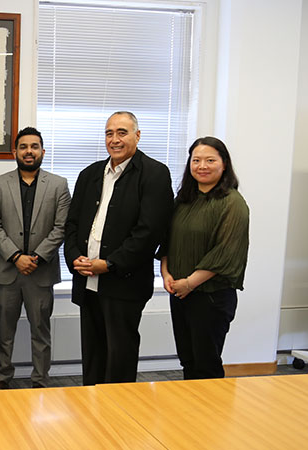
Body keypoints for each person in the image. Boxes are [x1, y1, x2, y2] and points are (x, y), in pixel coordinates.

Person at [64, 111, 174, 385]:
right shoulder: (89, 174)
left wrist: (109, 264)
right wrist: (75, 258)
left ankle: (121, 417)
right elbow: (72, 225)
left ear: (137, 135)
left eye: (122, 132)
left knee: (119, 355)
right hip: (87, 280)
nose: (115, 139)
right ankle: (92, 410)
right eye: (109, 133)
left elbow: (149, 232)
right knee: (93, 354)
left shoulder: (154, 174)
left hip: (124, 283)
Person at [0, 126, 70, 390]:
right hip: (8, 272)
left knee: (41, 334)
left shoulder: (58, 185)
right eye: (23, 147)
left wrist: (34, 257)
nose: (29, 151)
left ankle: (41, 383)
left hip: (41, 272)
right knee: (4, 334)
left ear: (42, 151)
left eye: (34, 147)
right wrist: (15, 256)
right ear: (15, 151)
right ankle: (1, 380)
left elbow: (61, 227)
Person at [159, 136, 249, 380]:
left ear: (224, 164)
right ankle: (191, 415)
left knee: (206, 363)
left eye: (210, 160)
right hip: (179, 293)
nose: (202, 166)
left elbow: (225, 252)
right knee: (188, 361)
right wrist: (166, 274)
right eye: (196, 160)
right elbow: (167, 240)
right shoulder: (184, 200)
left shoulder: (232, 203)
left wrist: (189, 283)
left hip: (210, 297)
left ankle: (212, 417)